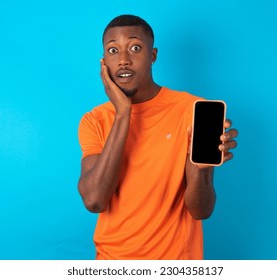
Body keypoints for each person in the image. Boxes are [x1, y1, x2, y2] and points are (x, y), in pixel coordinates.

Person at [77, 14, 238, 260]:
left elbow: (201, 210)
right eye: (112, 50)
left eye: (135, 48)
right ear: (103, 62)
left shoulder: (191, 110)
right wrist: (123, 114)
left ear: (153, 55)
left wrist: (202, 170)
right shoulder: (94, 120)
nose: (123, 60)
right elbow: (94, 201)